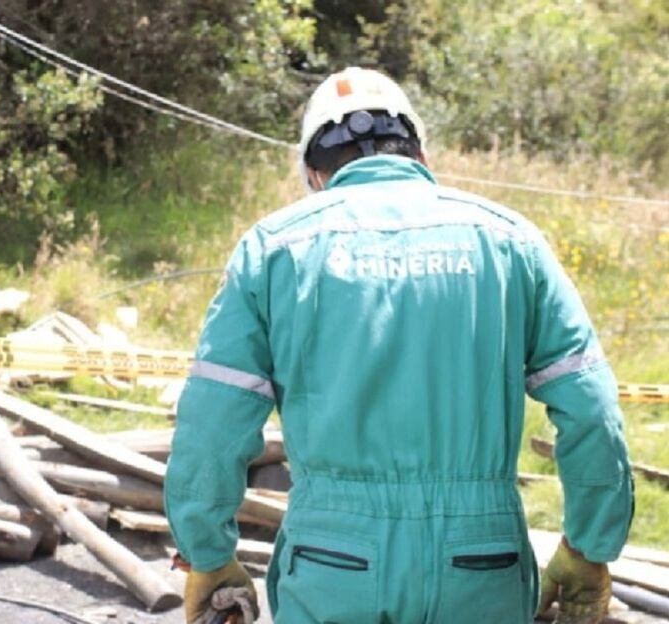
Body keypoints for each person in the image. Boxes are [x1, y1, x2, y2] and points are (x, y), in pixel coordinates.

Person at [164, 67, 633, 624]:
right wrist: (587, 549)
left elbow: (212, 423)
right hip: (481, 568)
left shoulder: (274, 250)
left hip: (332, 568)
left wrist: (208, 555)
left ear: (315, 175)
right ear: (421, 157)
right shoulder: (511, 242)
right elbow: (593, 411)